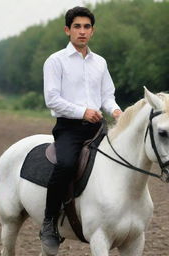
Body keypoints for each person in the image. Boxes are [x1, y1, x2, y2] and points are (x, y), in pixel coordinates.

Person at [41, 6, 122, 255]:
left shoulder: (100, 62)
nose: (82, 31)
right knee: (65, 165)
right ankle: (49, 222)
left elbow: (107, 96)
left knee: (123, 160)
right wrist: (82, 111)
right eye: (77, 26)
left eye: (87, 27)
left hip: (98, 127)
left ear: (92, 31)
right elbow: (52, 99)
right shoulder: (55, 61)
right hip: (70, 129)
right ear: (67, 30)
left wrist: (117, 112)